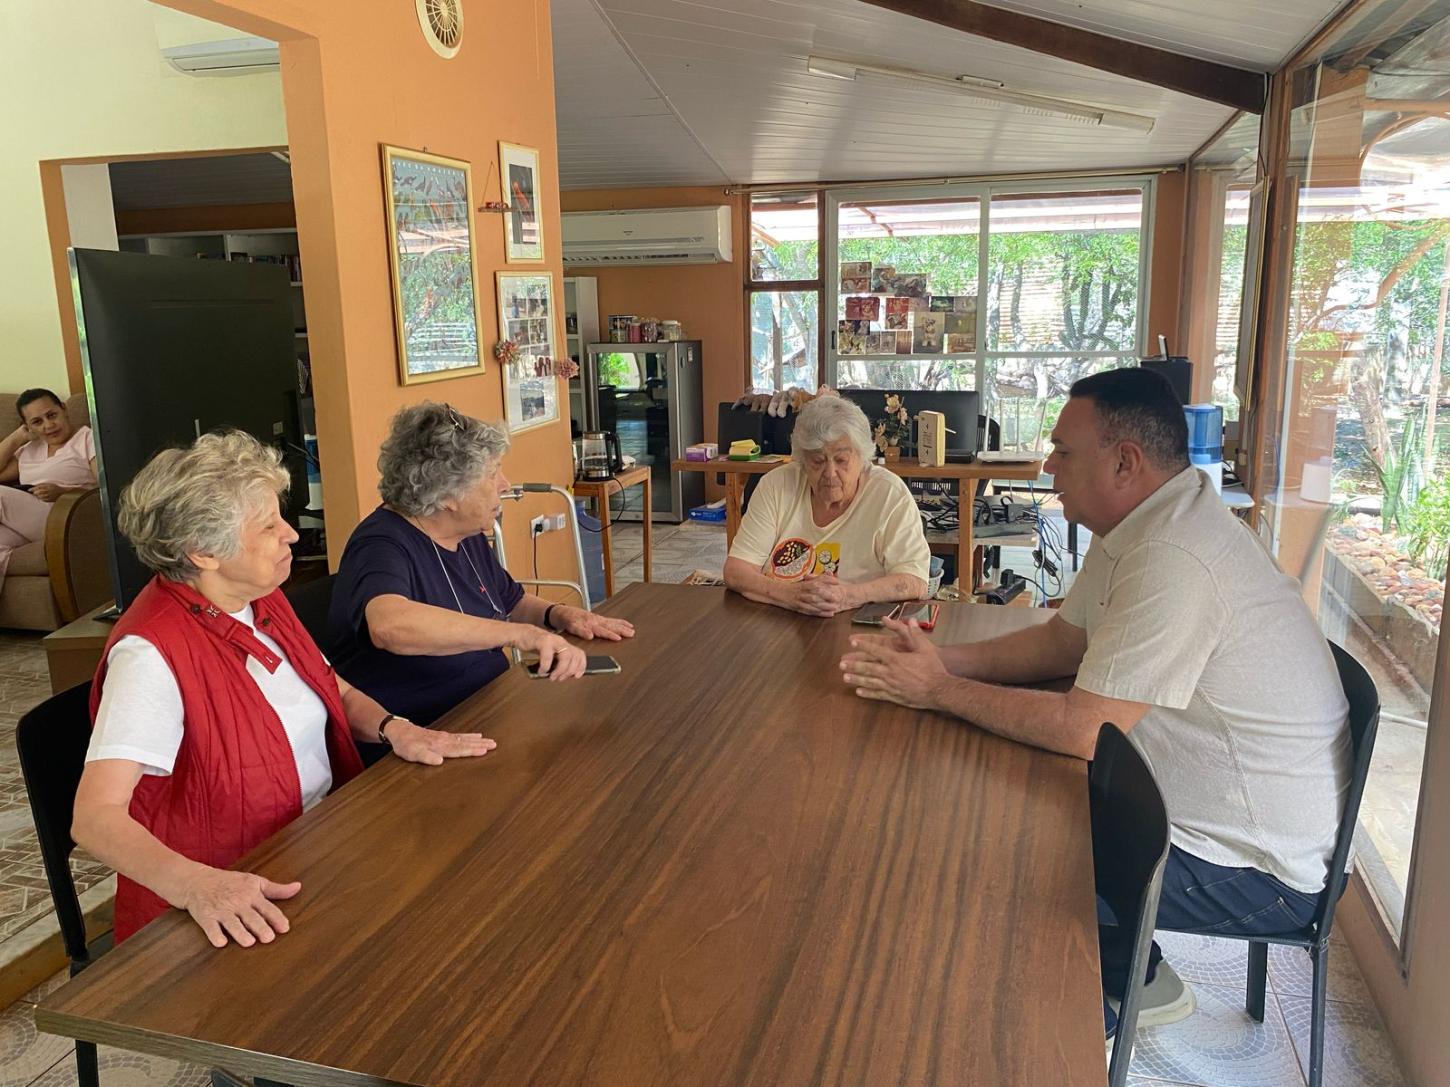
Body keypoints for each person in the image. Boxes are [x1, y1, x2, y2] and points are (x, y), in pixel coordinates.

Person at [839, 367, 1351, 1040]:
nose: (1048, 463)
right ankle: (1133, 969)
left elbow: (1084, 729)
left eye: (1063, 450)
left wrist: (936, 691)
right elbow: (1063, 642)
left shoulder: (1176, 554)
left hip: (1261, 868)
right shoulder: (1144, 523)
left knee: (1008, 848)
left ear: (1125, 462)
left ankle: (1070, 1020)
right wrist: (942, 662)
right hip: (1199, 802)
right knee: (1007, 797)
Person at [73, 430, 495, 954]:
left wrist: (396, 729)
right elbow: (94, 819)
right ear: (203, 551)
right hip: (237, 899)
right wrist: (198, 885)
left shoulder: (258, 598)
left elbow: (329, 688)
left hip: (318, 844)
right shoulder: (151, 656)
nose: (292, 535)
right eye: (269, 526)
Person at [329, 403, 633, 754]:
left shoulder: (464, 532)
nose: (504, 484)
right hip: (423, 741)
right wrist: (522, 634)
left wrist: (562, 615)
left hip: (489, 710)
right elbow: (389, 626)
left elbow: (510, 599)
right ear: (446, 495)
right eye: (491, 475)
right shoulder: (381, 544)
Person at [723, 395, 931, 616]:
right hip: (779, 619)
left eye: (841, 460)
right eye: (818, 461)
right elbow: (736, 571)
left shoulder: (890, 494)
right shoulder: (777, 485)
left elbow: (915, 581)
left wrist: (847, 596)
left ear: (862, 457)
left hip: (858, 627)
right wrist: (793, 595)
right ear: (802, 460)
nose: (830, 473)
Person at [0, 388, 97, 586]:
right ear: (27, 427)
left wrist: (63, 492)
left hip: (66, 516)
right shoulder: (29, 449)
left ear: (64, 409)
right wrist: (17, 438)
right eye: (37, 422)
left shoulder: (88, 439)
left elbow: (106, 489)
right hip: (28, 519)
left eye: (52, 415)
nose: (49, 426)